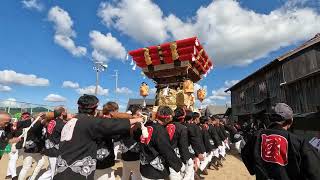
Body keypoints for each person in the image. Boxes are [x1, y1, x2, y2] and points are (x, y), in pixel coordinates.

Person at [53, 94, 143, 180]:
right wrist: (138, 119)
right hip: (76, 173)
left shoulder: (72, 121)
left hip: (62, 169)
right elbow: (112, 125)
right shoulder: (90, 122)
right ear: (94, 108)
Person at [241, 103, 320, 180]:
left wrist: (255, 170)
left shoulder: (256, 137)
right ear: (290, 121)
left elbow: (245, 154)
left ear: (270, 119)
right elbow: (314, 172)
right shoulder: (299, 142)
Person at [139, 106, 183, 180]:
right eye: (171, 117)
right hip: (155, 171)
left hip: (144, 166)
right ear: (167, 118)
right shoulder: (160, 131)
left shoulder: (148, 126)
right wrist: (178, 165)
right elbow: (166, 151)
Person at [38, 107, 67, 180]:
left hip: (50, 148)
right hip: (56, 150)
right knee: (53, 172)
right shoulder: (61, 124)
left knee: (52, 170)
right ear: (62, 113)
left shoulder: (51, 121)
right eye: (66, 110)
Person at [163, 107, 190, 180]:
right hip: (175, 157)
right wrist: (186, 159)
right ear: (183, 118)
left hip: (164, 155)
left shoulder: (165, 125)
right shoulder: (182, 128)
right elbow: (183, 147)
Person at [18, 113, 47, 180]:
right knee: (26, 167)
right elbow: (36, 131)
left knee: (41, 163)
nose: (43, 119)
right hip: (30, 149)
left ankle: (32, 178)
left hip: (35, 150)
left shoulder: (35, 124)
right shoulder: (35, 124)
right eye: (42, 118)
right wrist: (39, 120)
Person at [121, 105, 142, 180]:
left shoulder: (125, 124)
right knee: (136, 176)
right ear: (132, 115)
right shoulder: (135, 126)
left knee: (126, 175)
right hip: (133, 156)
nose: (140, 116)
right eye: (137, 115)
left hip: (128, 155)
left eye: (141, 115)